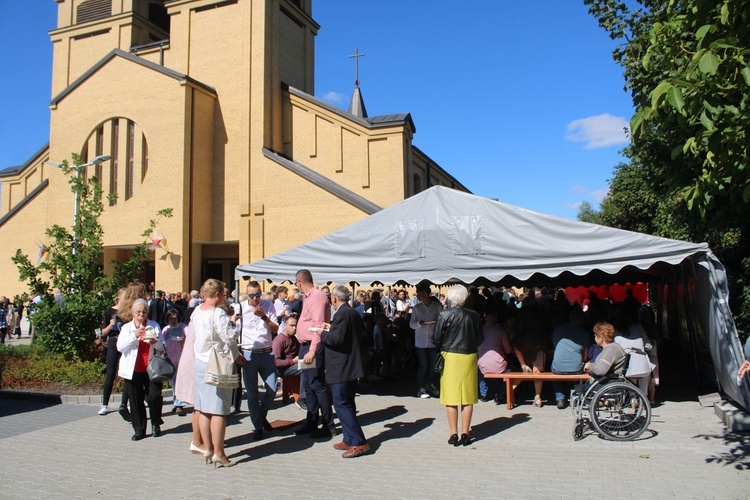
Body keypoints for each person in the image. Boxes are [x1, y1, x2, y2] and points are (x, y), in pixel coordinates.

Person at [193, 279, 243, 468]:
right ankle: (219, 452)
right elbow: (229, 336)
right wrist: (233, 323)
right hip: (215, 362)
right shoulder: (217, 313)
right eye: (222, 293)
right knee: (218, 409)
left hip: (200, 359)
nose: (224, 296)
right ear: (216, 294)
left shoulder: (198, 310)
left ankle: (208, 448)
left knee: (204, 408)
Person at [318, 285, 370, 458]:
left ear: (334, 298)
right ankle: (349, 438)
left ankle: (358, 441)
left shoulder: (342, 313)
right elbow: (345, 334)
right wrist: (330, 328)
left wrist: (322, 333)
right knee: (347, 402)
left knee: (342, 404)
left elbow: (336, 339)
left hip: (342, 366)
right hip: (350, 364)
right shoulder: (352, 312)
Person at [432, 285, 484, 447]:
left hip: (450, 355)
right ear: (465, 298)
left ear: (450, 298)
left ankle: (453, 433)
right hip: (469, 355)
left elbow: (435, 338)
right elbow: (480, 338)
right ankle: (465, 433)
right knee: (468, 396)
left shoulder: (444, 315)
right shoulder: (474, 316)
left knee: (451, 396)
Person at [294, 269, 334, 438]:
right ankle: (311, 421)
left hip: (313, 346)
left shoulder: (316, 296)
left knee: (317, 385)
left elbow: (319, 325)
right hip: (306, 346)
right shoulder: (310, 296)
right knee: (308, 387)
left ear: (299, 283)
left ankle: (327, 424)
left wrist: (312, 350)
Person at [116, 298, 165, 441]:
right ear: (132, 313)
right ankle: (139, 429)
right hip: (133, 370)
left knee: (154, 396)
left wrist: (155, 342)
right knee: (136, 401)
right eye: (138, 312)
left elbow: (163, 347)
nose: (141, 314)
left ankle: (156, 423)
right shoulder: (127, 328)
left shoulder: (154, 326)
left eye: (144, 312)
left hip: (150, 368)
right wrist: (134, 336)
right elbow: (120, 347)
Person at [239, 280, 279, 440]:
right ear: (247, 295)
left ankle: (260, 418)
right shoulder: (240, 307)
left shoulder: (268, 305)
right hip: (248, 353)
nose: (255, 298)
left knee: (272, 389)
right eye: (252, 295)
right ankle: (257, 426)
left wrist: (263, 316)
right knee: (252, 394)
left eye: (258, 295)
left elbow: (275, 328)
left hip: (266, 352)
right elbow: (234, 330)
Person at [512, 295, 552, 407]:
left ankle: (523, 364)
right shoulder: (542, 312)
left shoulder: (522, 312)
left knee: (515, 344)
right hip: (541, 343)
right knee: (537, 371)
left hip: (527, 342)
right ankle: (538, 397)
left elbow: (520, 329)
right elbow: (549, 328)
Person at [550, 305, 589, 409]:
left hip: (558, 368)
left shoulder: (557, 330)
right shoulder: (584, 334)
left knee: (555, 367)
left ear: (570, 317)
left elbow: (555, 347)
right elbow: (585, 357)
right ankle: (576, 395)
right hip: (576, 368)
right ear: (581, 319)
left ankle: (560, 398)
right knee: (579, 366)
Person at [409, 284, 442, 399]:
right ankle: (421, 388)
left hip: (433, 340)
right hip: (421, 341)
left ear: (427, 294)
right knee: (424, 365)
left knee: (435, 365)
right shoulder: (417, 308)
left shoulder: (437, 306)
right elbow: (411, 324)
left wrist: (436, 323)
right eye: (419, 294)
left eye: (422, 294)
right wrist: (419, 323)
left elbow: (442, 321)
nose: (420, 296)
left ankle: (431, 382)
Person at [477, 301, 513, 404]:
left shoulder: (479, 331)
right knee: (511, 370)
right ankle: (500, 395)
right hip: (499, 365)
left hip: (482, 364)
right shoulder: (500, 330)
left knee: (480, 370)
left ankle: (483, 394)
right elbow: (508, 350)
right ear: (495, 317)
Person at [98, 288, 126, 415]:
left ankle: (125, 404)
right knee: (110, 373)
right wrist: (111, 324)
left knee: (126, 374)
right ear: (119, 297)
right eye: (125, 297)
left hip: (125, 342)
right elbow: (103, 332)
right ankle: (104, 405)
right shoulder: (109, 311)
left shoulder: (128, 312)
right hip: (113, 342)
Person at [272, 313, 307, 410]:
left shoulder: (293, 338)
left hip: (293, 365)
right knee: (304, 369)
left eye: (296, 325)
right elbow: (275, 362)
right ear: (285, 325)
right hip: (283, 369)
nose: (294, 328)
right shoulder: (279, 340)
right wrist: (292, 361)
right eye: (292, 325)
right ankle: (302, 398)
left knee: (312, 366)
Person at [162, 308, 187, 415]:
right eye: (170, 319)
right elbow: (161, 344)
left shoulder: (183, 327)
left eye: (175, 318)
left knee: (180, 382)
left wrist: (183, 340)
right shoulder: (166, 330)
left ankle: (179, 404)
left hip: (182, 359)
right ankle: (177, 403)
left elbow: (190, 338)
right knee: (174, 383)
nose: (173, 321)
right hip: (171, 360)